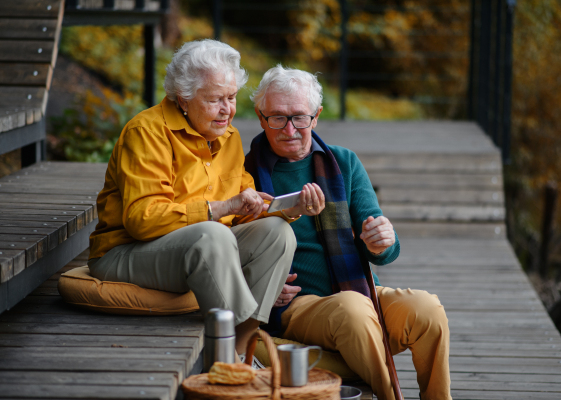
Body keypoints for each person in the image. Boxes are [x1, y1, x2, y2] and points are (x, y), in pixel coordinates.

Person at [87, 41, 322, 355]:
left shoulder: (230, 138)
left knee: (277, 233)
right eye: (215, 100)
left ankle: (240, 351)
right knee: (212, 233)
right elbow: (141, 220)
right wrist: (220, 209)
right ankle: (231, 359)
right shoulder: (146, 132)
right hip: (126, 253)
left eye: (231, 97)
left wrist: (286, 209)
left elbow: (243, 212)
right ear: (184, 98)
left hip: (201, 250)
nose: (227, 110)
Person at [245, 65, 451, 400]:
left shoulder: (343, 162)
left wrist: (381, 240)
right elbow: (237, 247)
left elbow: (384, 248)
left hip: (362, 292)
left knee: (427, 309)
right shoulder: (245, 174)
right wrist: (260, 280)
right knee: (352, 310)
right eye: (277, 117)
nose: (290, 129)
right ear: (260, 116)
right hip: (299, 305)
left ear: (316, 117)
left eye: (299, 117)